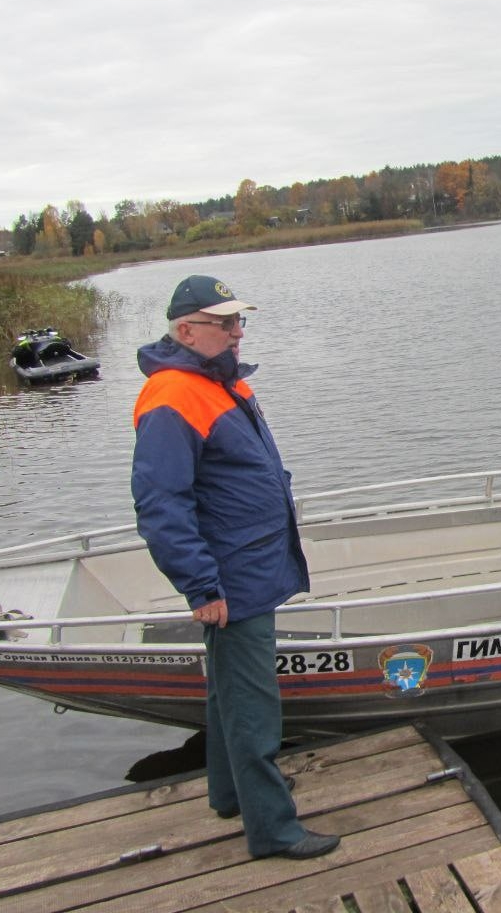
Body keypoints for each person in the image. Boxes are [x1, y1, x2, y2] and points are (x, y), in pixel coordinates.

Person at [130, 274, 340, 861]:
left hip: (252, 564)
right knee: (253, 705)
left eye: (239, 321)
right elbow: (159, 504)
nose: (237, 332)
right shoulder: (172, 398)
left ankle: (228, 794)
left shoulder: (220, 384)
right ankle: (274, 829)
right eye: (225, 323)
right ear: (186, 329)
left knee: (227, 694)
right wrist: (201, 584)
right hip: (230, 576)